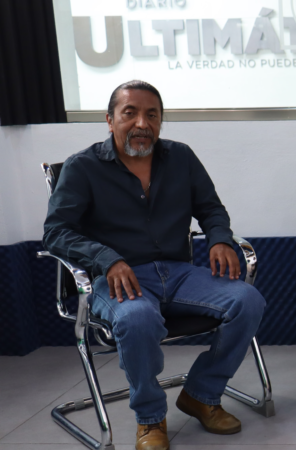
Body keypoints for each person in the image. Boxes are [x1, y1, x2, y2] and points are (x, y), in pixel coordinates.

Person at [43, 80, 266, 450]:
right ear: (110, 120)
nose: (142, 123)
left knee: (248, 300)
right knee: (137, 318)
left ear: (161, 122)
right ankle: (150, 419)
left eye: (152, 115)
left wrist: (220, 238)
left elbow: (211, 209)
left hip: (177, 274)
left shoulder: (180, 157)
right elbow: (55, 232)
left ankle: (201, 394)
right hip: (117, 280)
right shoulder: (83, 168)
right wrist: (106, 259)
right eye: (129, 113)